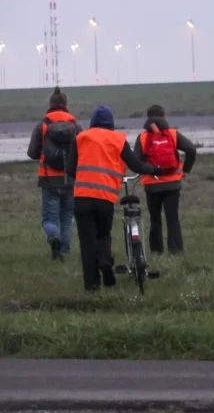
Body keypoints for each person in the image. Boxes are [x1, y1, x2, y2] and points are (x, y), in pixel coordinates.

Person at [66, 105, 166, 292]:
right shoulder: (117, 139)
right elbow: (136, 165)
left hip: (82, 198)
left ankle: (92, 287)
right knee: (103, 234)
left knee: (87, 244)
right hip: (105, 198)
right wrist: (154, 169)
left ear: (93, 123)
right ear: (111, 124)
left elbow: (70, 170)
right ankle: (105, 260)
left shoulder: (81, 138)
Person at [133, 104, 197, 255]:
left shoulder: (142, 137)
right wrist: (185, 170)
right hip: (172, 184)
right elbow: (191, 150)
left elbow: (137, 161)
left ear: (147, 118)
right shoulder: (173, 134)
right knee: (172, 219)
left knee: (155, 220)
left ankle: (156, 252)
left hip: (151, 185)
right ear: (164, 116)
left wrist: (150, 170)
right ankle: (175, 252)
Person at [27, 87, 82, 260]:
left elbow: (32, 152)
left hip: (49, 180)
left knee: (49, 220)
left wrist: (45, 154)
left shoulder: (43, 125)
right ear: (66, 105)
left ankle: (53, 238)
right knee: (67, 216)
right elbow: (82, 150)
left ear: (50, 105)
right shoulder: (75, 124)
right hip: (70, 179)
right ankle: (64, 250)